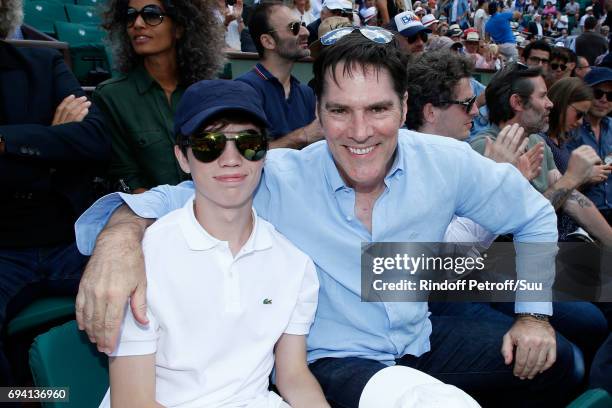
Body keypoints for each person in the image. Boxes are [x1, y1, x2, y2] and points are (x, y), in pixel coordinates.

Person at [75, 27, 581, 407]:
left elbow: (534, 215)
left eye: (378, 109)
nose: (360, 131)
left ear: (405, 106)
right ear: (318, 111)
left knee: (562, 364)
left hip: (417, 337)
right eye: (340, 111)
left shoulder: (444, 162)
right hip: (329, 361)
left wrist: (533, 314)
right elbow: (174, 197)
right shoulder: (273, 174)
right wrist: (118, 242)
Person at [97, 79, 328, 408]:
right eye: (209, 144)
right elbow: (133, 402)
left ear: (265, 153)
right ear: (182, 157)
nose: (231, 159)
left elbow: (293, 376)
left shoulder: (295, 264)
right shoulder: (140, 263)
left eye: (249, 142)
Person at [0, 0, 109, 386]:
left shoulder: (43, 65)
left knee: (153, 288)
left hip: (65, 236)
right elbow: (72, 148)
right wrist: (54, 145)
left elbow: (94, 140)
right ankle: (20, 401)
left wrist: (5, 142)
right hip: (4, 246)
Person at [471, 65, 612, 245]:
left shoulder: (537, 141)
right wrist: (571, 178)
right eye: (542, 96)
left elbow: (572, 200)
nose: (550, 103)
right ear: (518, 103)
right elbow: (519, 220)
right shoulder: (485, 148)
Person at [93, 0, 224, 194]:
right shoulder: (111, 96)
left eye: (152, 15)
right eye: (130, 16)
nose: (137, 24)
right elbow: (125, 176)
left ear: (179, 27)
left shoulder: (208, 92)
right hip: (150, 216)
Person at [238, 2, 323, 149]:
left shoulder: (306, 93)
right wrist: (302, 136)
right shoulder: (244, 89)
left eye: (302, 24)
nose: (306, 32)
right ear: (268, 41)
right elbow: (246, 153)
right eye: (294, 28)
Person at [567, 67, 612, 224]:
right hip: (582, 216)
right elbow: (559, 182)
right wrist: (584, 177)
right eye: (597, 93)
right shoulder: (570, 127)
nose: (604, 100)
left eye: (610, 96)